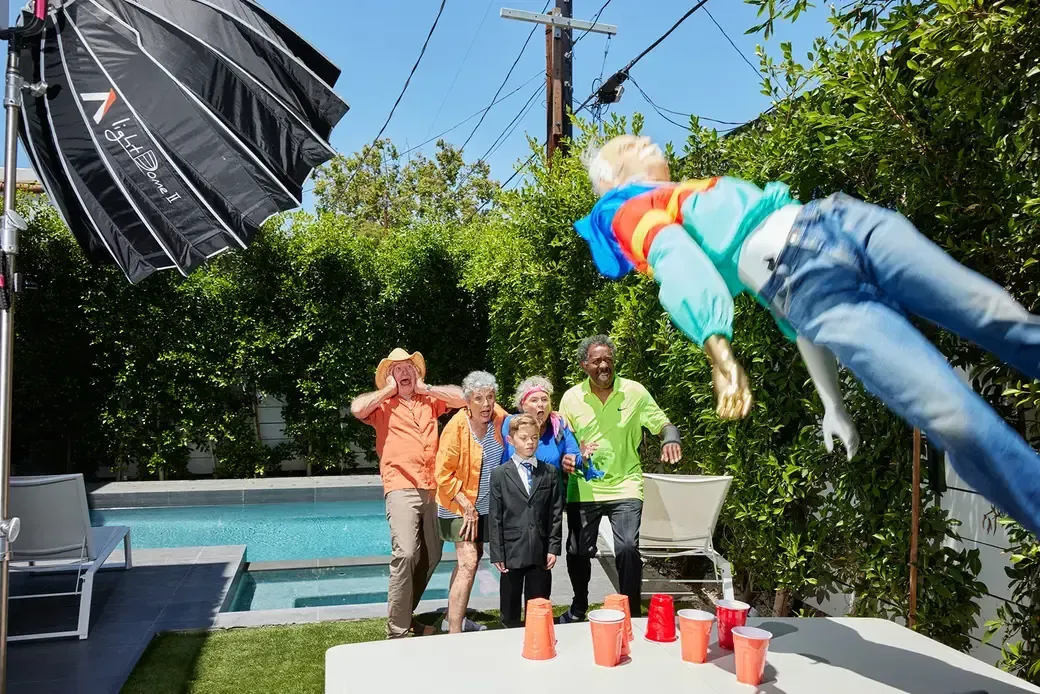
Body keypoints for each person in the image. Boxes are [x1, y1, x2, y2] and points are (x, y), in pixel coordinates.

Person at [574, 133, 1040, 537]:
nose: (644, 141)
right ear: (615, 178)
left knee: (997, 314)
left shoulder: (690, 191)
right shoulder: (629, 211)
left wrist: (832, 404)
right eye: (629, 147)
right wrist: (719, 349)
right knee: (951, 416)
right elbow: (678, 261)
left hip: (841, 221)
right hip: (807, 286)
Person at [557, 335, 682, 623]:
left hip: (626, 483)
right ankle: (579, 606)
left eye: (608, 360)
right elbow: (565, 440)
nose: (604, 365)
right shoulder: (571, 398)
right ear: (584, 365)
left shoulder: (634, 392)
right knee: (576, 551)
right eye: (597, 361)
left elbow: (663, 423)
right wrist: (568, 458)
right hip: (585, 485)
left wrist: (670, 438)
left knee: (627, 547)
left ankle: (630, 610)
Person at [350, 348, 466, 639]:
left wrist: (428, 388)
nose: (404, 373)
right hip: (400, 486)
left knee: (433, 555)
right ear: (389, 377)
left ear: (417, 374)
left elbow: (463, 397)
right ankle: (397, 631)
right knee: (406, 552)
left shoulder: (430, 401)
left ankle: (403, 615)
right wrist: (387, 391)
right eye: (397, 369)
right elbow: (356, 408)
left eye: (409, 368)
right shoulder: (381, 406)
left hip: (433, 488)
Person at [434, 370, 508, 634]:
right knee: (468, 560)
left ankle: (452, 618)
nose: (485, 404)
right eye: (478, 398)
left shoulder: (499, 418)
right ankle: (455, 632)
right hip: (457, 503)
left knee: (470, 560)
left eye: (490, 397)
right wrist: (467, 507)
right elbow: (442, 474)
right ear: (467, 401)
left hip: (486, 504)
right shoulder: (456, 427)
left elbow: (526, 428)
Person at [489, 414, 564, 628]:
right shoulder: (500, 475)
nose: (530, 442)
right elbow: (495, 517)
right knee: (510, 605)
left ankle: (538, 639)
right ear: (511, 440)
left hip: (540, 551)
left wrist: (553, 547)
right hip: (512, 552)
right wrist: (497, 552)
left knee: (539, 604)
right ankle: (509, 635)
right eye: (524, 438)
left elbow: (555, 512)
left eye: (534, 437)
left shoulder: (549, 473)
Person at [500, 375, 602, 481]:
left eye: (544, 400)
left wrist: (583, 457)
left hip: (551, 494)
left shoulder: (559, 426)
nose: (540, 404)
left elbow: (574, 460)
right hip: (514, 494)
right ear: (523, 405)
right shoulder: (509, 424)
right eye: (534, 400)